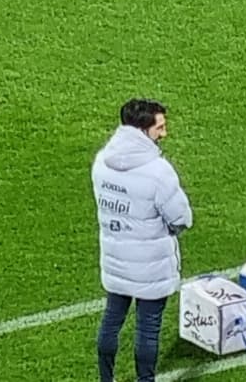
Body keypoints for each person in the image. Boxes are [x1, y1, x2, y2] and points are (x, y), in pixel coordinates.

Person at [92, 100, 190, 382]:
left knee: (111, 322)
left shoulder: (102, 161)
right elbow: (181, 217)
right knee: (148, 329)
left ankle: (105, 378)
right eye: (160, 128)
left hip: (115, 258)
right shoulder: (158, 171)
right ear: (142, 130)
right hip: (151, 265)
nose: (164, 134)